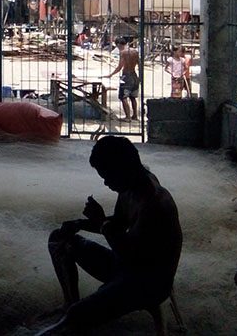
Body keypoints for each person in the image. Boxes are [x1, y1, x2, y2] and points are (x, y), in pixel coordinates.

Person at [39, 136, 182, 334]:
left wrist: (101, 222)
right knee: (59, 238)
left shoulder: (154, 204)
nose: (106, 183)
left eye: (107, 176)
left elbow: (130, 256)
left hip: (149, 282)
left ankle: (73, 311)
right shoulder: (131, 185)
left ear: (123, 169)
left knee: (77, 316)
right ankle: (69, 301)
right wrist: (80, 224)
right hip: (127, 265)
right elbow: (119, 224)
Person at [106, 37, 140, 121]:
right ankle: (135, 115)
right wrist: (140, 78)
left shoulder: (123, 53)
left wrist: (110, 75)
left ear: (118, 45)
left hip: (127, 76)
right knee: (133, 97)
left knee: (123, 97)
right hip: (134, 76)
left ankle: (128, 117)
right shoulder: (135, 51)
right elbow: (140, 64)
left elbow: (120, 67)